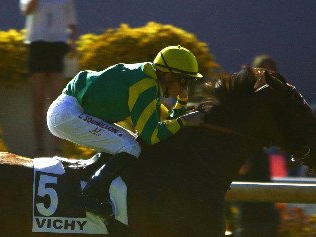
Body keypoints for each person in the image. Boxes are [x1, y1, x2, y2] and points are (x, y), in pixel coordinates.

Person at [47, 45, 205, 217]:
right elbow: (152, 135)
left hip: (70, 110)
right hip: (68, 113)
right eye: (185, 82)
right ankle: (91, 195)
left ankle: (94, 187)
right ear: (168, 76)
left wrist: (181, 104)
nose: (185, 89)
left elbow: (164, 126)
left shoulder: (149, 80)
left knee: (128, 144)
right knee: (130, 147)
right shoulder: (145, 86)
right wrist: (184, 121)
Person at [20, 0, 77, 156]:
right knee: (38, 100)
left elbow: (71, 22)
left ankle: (57, 150)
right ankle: (39, 149)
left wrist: (73, 42)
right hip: (37, 45)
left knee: (57, 101)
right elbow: (27, 10)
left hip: (58, 46)